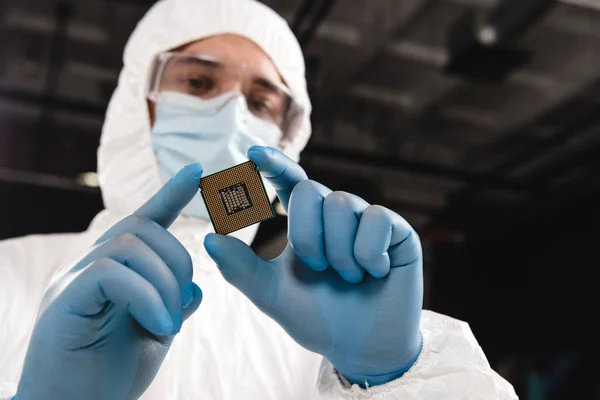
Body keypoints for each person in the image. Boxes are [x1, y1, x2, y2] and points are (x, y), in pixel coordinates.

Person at [0, 0, 518, 399]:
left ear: (285, 139)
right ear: (137, 104)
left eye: (259, 101)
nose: (230, 116)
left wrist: (393, 379)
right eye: (199, 81)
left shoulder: (317, 324)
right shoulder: (12, 274)